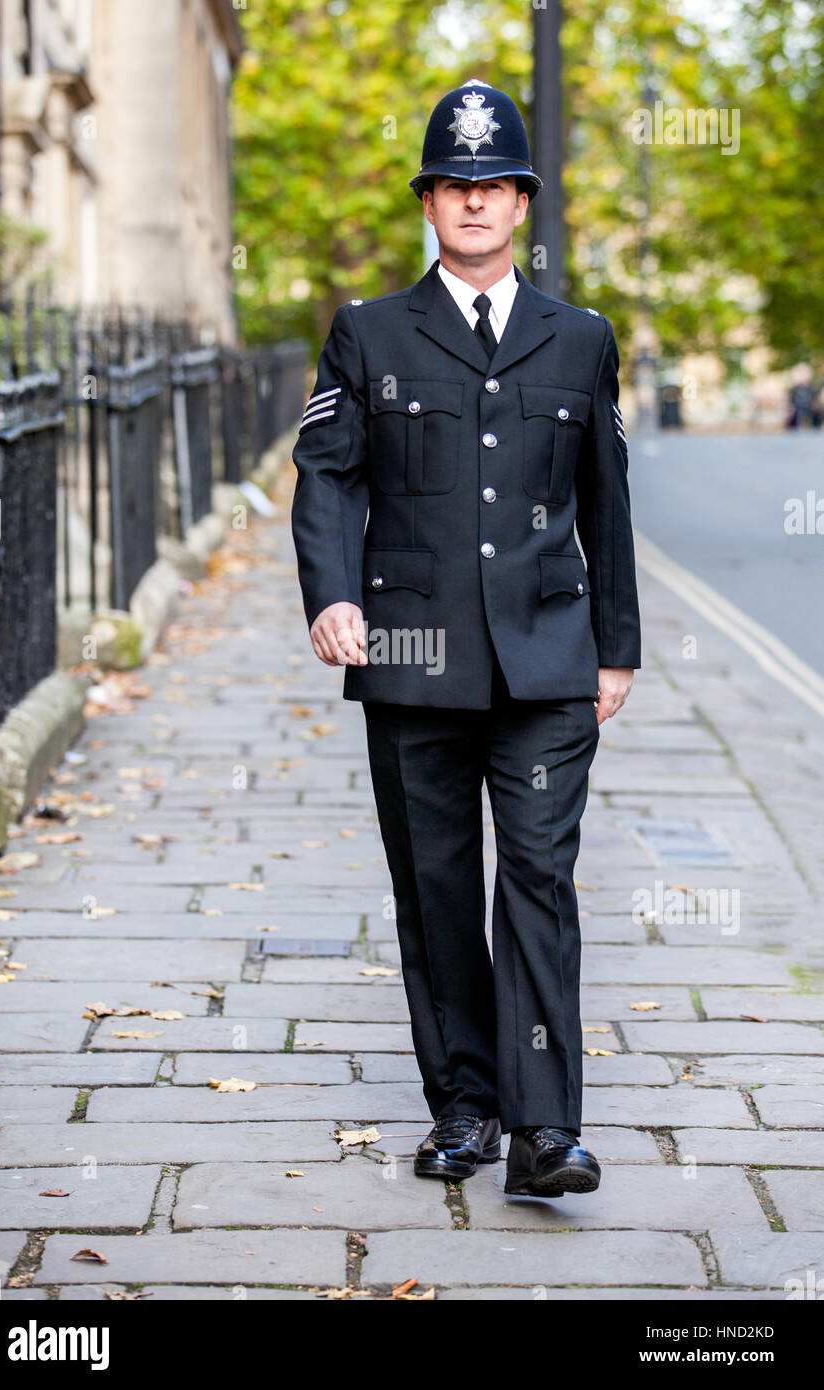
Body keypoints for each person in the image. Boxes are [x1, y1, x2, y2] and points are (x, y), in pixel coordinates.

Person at [290, 78, 641, 1198]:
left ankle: (546, 1130)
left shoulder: (578, 339)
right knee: (434, 883)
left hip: (546, 654)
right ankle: (463, 1107)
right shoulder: (368, 331)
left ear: (523, 203)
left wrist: (616, 647)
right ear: (428, 201)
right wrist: (330, 595)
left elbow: (606, 497)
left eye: (494, 186)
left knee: (536, 876)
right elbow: (327, 478)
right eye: (455, 184)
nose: (475, 203)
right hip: (407, 653)